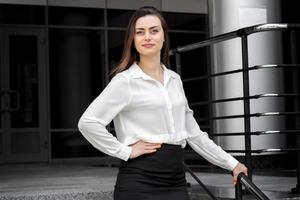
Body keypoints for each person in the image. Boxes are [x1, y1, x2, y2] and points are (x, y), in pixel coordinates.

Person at [78, 6, 247, 200]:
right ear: (133, 40)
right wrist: (124, 151)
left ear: (164, 36)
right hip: (138, 181)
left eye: (154, 30)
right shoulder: (125, 81)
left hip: (175, 181)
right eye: (140, 32)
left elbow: (194, 135)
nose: (147, 37)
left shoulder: (174, 80)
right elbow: (88, 123)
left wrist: (232, 164)